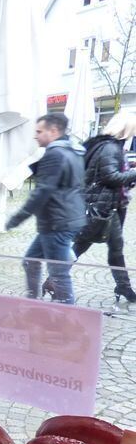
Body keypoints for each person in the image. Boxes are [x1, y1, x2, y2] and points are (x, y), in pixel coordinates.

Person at [6, 113, 85, 305]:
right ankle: (34, 302)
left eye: (39, 132)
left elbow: (43, 191)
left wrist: (18, 217)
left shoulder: (55, 154)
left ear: (54, 131)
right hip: (65, 219)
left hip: (57, 223)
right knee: (30, 261)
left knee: (58, 274)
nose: (36, 136)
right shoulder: (73, 151)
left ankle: (67, 314)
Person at [73, 111, 136, 305]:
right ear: (126, 128)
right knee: (87, 244)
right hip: (104, 207)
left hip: (106, 205)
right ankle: (55, 278)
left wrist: (129, 172)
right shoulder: (110, 147)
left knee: (108, 247)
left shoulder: (105, 145)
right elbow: (110, 177)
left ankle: (124, 286)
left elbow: (108, 175)